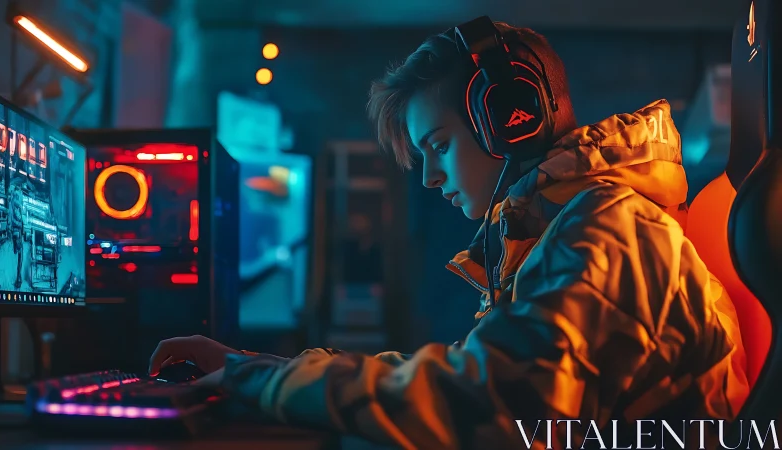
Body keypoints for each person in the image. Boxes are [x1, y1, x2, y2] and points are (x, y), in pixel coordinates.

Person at [149, 18, 750, 449]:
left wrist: (258, 380)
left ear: (509, 119)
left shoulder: (611, 229)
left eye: (438, 146)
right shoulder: (571, 228)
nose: (432, 177)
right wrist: (262, 367)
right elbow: (476, 370)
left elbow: (487, 408)